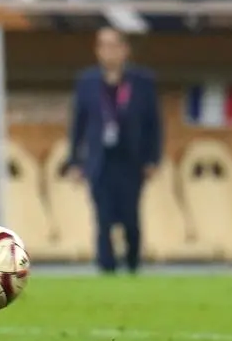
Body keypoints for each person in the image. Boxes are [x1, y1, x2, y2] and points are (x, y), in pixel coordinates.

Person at [68, 28, 163, 274]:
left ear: (125, 49)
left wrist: (153, 159)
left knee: (130, 217)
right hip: (100, 160)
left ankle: (132, 264)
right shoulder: (87, 82)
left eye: (113, 45)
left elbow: (154, 124)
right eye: (103, 45)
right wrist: (75, 162)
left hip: (131, 159)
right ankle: (106, 267)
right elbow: (78, 123)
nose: (108, 51)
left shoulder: (142, 82)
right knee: (103, 216)